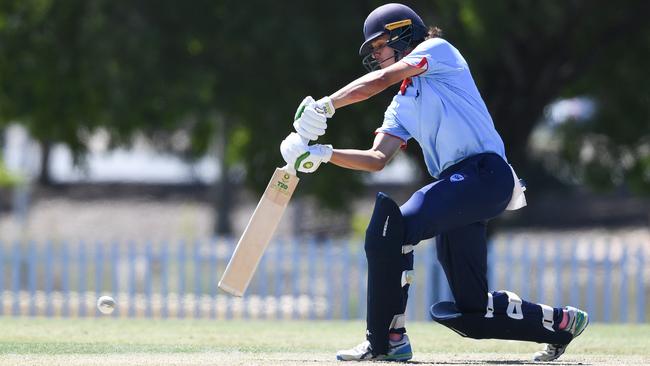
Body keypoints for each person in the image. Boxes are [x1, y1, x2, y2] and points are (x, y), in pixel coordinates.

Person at [280, 3, 588, 362]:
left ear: (403, 32)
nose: (377, 55)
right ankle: (561, 323)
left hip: (486, 174)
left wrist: (326, 105)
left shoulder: (437, 51)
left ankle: (387, 340)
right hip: (462, 189)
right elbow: (377, 159)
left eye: (380, 45)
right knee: (471, 312)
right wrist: (323, 153)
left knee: (392, 229)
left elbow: (380, 81)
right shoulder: (402, 103)